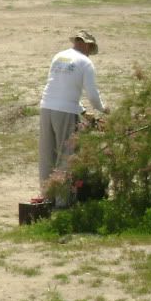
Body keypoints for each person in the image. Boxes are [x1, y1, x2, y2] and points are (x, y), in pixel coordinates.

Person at [36, 30, 109, 207]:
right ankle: (62, 202)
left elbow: (57, 87)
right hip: (65, 112)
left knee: (47, 154)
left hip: (46, 107)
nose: (90, 51)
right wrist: (104, 109)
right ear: (85, 44)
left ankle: (47, 198)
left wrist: (82, 111)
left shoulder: (59, 56)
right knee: (66, 155)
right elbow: (92, 95)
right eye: (90, 47)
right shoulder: (85, 63)